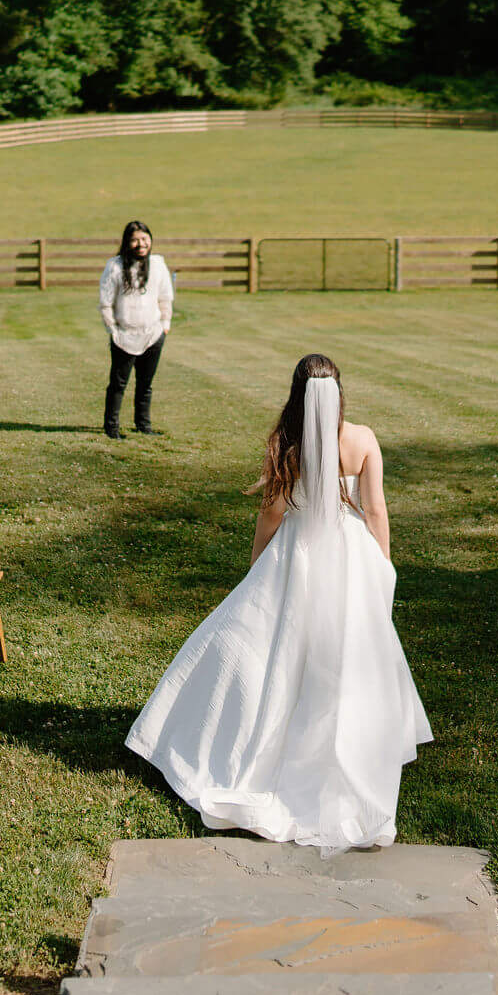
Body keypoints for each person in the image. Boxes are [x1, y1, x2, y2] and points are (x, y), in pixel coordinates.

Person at [127, 354, 432, 855]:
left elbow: (271, 514)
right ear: (339, 393)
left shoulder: (285, 445)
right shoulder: (362, 439)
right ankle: (338, 749)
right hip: (351, 557)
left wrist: (256, 569)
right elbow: (375, 509)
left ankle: (249, 743)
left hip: (297, 557)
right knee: (344, 659)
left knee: (270, 650)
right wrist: (383, 568)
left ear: (295, 392)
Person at [99, 220, 174, 438]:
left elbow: (165, 298)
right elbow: (105, 302)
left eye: (144, 239)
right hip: (124, 335)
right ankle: (111, 428)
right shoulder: (115, 266)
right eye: (135, 240)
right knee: (118, 384)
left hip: (153, 333)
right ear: (126, 242)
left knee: (145, 384)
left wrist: (165, 326)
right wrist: (112, 329)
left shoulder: (158, 264)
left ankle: (143, 425)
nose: (140, 244)